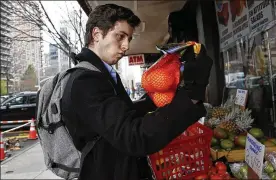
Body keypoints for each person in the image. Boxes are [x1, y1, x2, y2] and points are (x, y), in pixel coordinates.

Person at [61, 4, 212, 180]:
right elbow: (133, 136)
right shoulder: (85, 81)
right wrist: (191, 96)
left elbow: (123, 115)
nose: (126, 46)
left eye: (129, 39)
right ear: (96, 35)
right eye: (120, 36)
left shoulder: (101, 74)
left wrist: (159, 95)